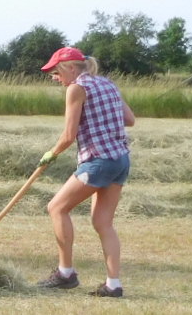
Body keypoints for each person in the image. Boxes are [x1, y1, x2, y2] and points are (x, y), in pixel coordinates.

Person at [34, 46, 135, 296]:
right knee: (103, 223)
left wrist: (51, 154)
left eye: (56, 73)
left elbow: (69, 135)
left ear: (69, 67)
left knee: (56, 208)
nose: (55, 78)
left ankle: (65, 273)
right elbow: (130, 119)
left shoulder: (76, 88)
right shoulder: (108, 84)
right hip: (120, 159)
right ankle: (113, 285)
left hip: (99, 160)